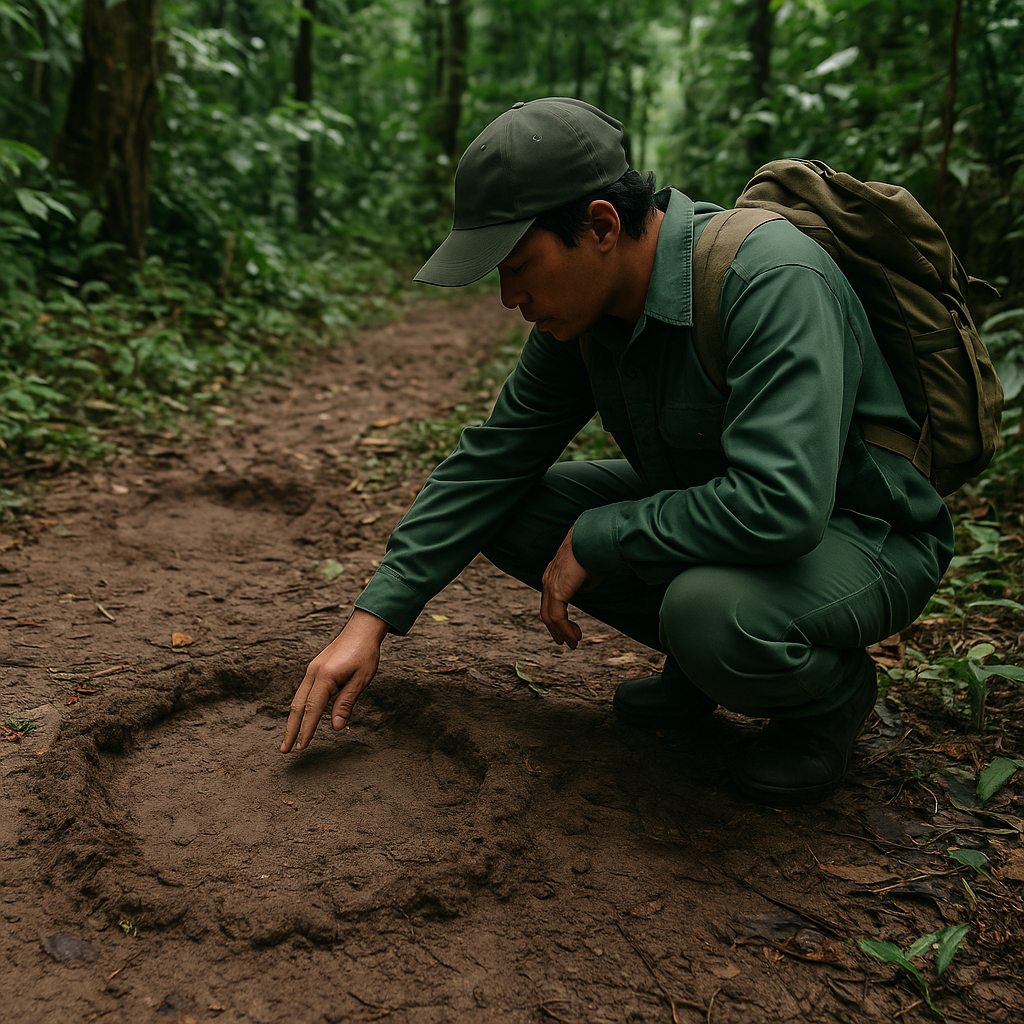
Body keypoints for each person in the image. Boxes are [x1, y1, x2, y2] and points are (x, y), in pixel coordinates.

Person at [280, 97, 953, 804]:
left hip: (864, 530)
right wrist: (370, 621)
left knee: (709, 611)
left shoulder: (769, 278)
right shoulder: (583, 319)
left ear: (601, 225)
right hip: (739, 518)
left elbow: (780, 507)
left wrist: (604, 533)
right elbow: (491, 462)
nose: (510, 298)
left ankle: (827, 701)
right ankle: (698, 671)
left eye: (519, 265)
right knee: (509, 508)